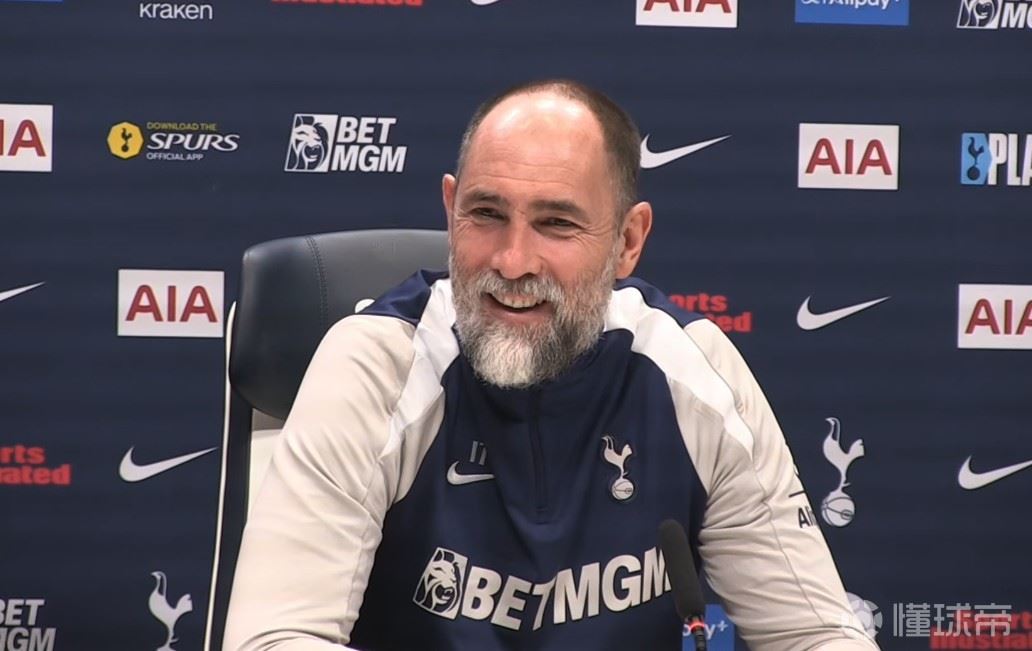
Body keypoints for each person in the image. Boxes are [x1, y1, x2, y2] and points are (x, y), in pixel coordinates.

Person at [224, 79, 879, 650]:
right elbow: (275, 638)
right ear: (450, 210)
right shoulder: (378, 365)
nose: (512, 261)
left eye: (556, 224)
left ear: (627, 241)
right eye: (486, 214)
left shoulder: (692, 370)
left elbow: (816, 631)